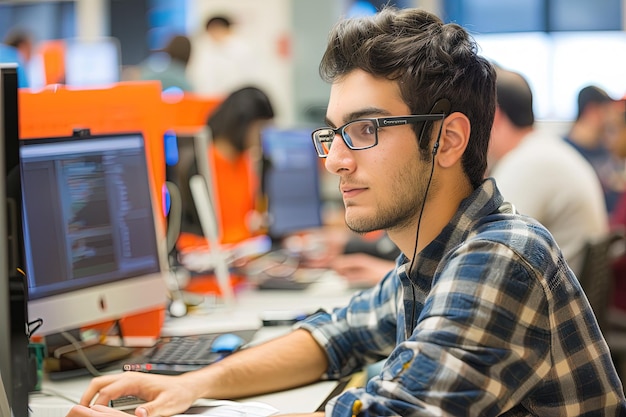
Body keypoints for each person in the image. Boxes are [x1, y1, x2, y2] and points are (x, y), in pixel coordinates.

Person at [68, 7, 626, 417]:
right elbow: (338, 334)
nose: (334, 159)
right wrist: (195, 383)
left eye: (364, 130)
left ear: (448, 140)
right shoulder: (431, 258)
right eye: (332, 134)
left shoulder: (499, 257)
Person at [488, 67, 608, 276]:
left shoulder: (527, 163)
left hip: (552, 299)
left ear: (495, 115)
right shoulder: (544, 149)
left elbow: (490, 250)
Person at [177, 86, 275, 249]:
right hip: (213, 255)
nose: (263, 136)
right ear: (242, 123)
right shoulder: (199, 166)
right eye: (260, 128)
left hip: (246, 253)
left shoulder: (251, 162)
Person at [564, 85, 626, 214]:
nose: (611, 118)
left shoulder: (607, 149)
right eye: (607, 111)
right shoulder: (563, 153)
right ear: (592, 111)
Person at [186, 15, 258, 97]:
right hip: (209, 98)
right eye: (211, 30)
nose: (215, 33)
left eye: (218, 29)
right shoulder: (204, 50)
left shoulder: (241, 49)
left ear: (227, 29)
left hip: (235, 98)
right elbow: (199, 75)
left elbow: (248, 77)